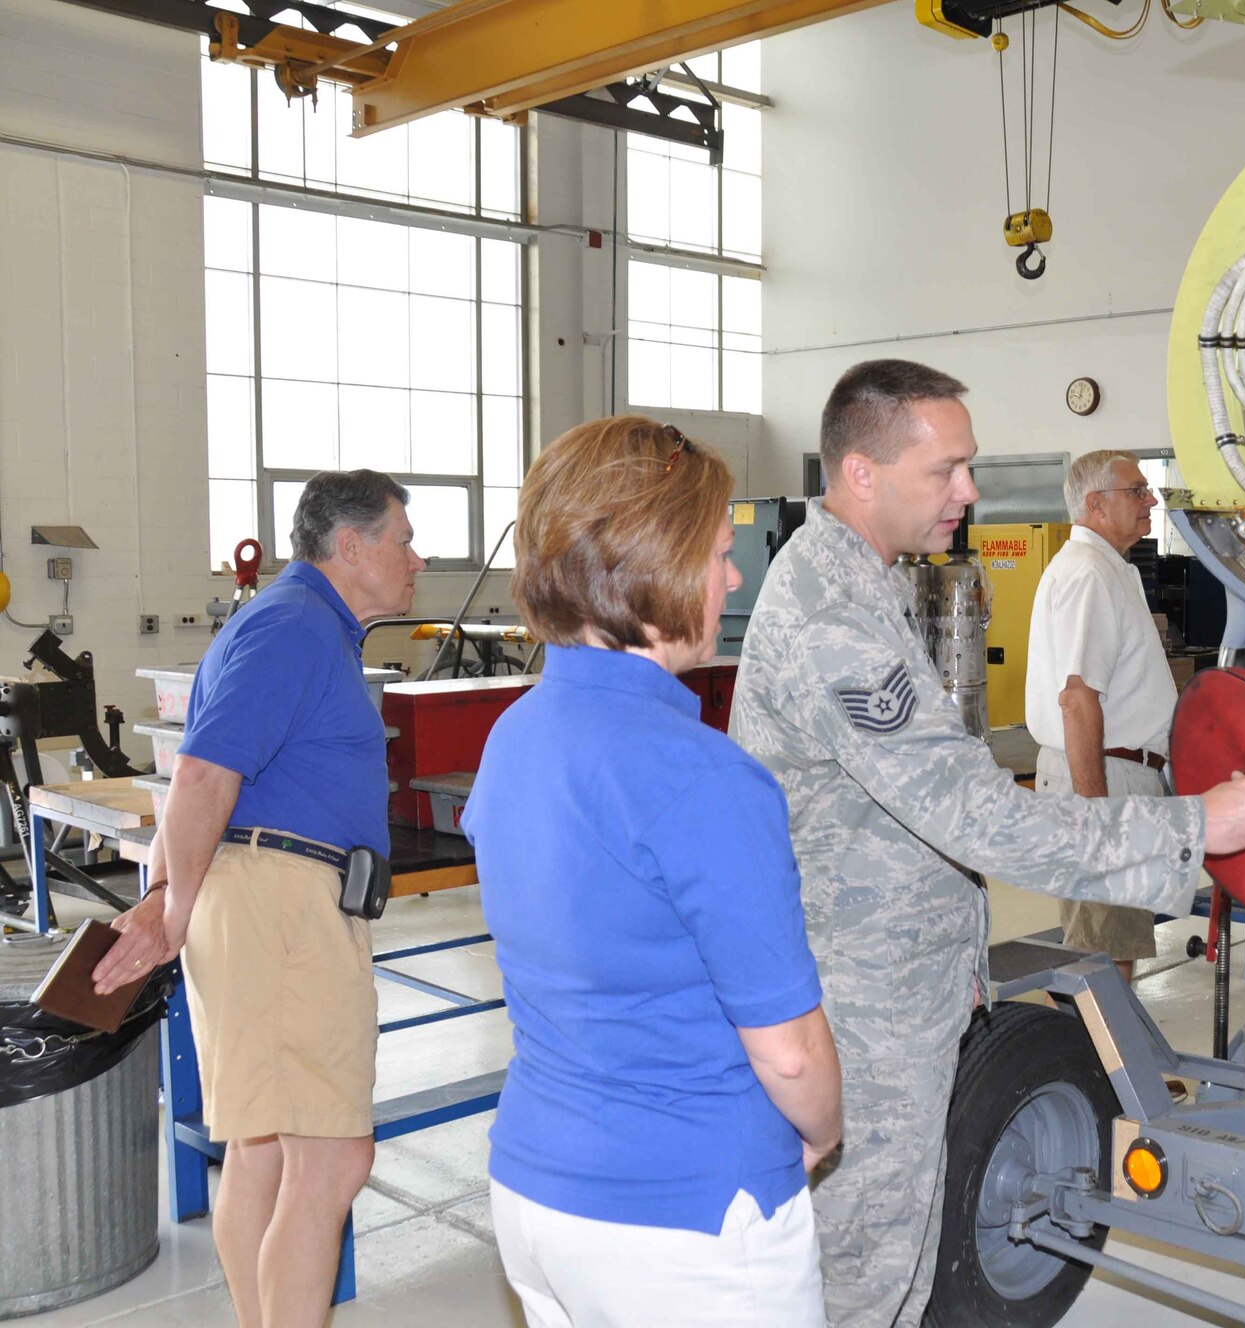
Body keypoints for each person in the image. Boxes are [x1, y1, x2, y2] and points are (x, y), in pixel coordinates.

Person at [730, 357, 1245, 1327]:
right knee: (857, 1276)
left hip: (889, 991)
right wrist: (1197, 821)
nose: (969, 491)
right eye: (945, 469)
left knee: (898, 1261)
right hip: (858, 1008)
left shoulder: (864, 584)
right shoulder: (832, 616)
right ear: (862, 473)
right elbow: (977, 815)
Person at [465, 417, 840, 1328]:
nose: (733, 576)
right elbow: (788, 1050)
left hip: (537, 1193)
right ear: (657, 564)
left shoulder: (513, 737)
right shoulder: (706, 778)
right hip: (689, 1221)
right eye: (718, 552)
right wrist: (825, 1133)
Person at [93, 470, 425, 1327]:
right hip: (282, 906)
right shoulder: (295, 628)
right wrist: (167, 903)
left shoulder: (290, 625)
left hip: (263, 901)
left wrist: (172, 896)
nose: (415, 559)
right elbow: (204, 774)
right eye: (402, 538)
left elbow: (192, 768)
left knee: (264, 1151)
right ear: (349, 547)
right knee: (333, 1158)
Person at [1025, 449, 1180, 982]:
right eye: (1136, 491)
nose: (1151, 498)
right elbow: (1077, 699)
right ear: (1094, 505)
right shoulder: (1090, 573)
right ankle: (1100, 1063)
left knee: (1112, 943)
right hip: (1101, 780)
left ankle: (1106, 1061)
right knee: (1101, 956)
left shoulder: (1109, 569)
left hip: (1117, 777)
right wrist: (1098, 815)